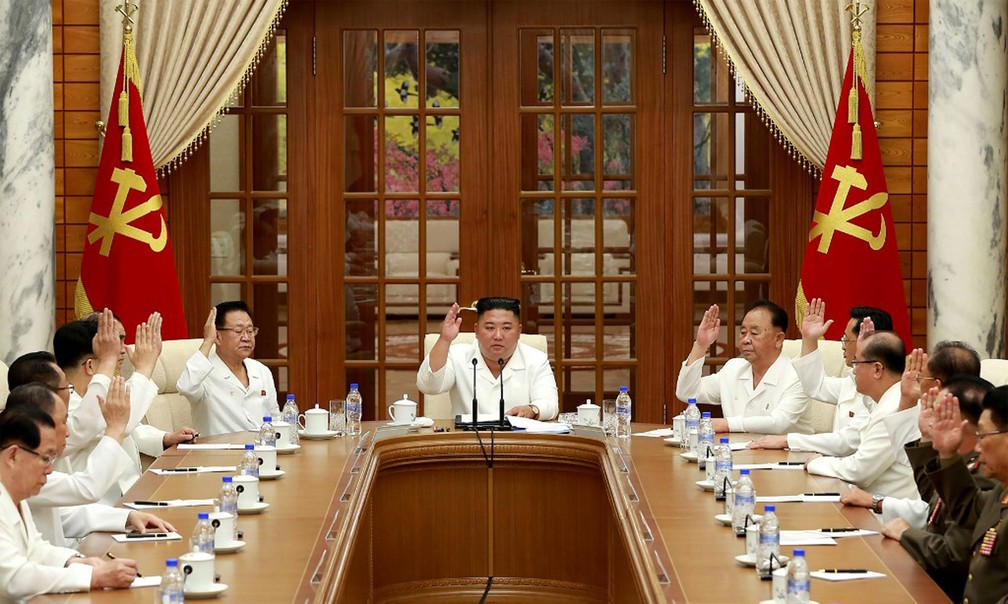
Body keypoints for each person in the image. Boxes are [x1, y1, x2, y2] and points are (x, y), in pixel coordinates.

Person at [0, 403, 138, 600]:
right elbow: (13, 578)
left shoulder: (15, 496)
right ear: (13, 455)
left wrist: (76, 561)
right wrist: (92, 577)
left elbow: (36, 550)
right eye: (46, 459)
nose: (49, 470)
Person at [877, 377, 998, 600]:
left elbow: (952, 556)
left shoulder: (985, 476)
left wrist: (906, 534)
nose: (932, 420)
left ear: (959, 421)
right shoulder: (961, 466)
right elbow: (934, 499)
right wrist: (926, 438)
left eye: (937, 413)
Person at [750, 299, 892, 454]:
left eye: (846, 339)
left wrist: (787, 440)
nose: (843, 346)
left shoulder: (884, 392)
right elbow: (815, 386)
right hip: (838, 469)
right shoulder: (850, 383)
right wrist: (810, 339)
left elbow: (848, 441)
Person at [804, 331, 920, 501]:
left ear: (877, 369)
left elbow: (860, 470)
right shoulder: (885, 399)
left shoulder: (894, 408)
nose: (853, 369)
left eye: (856, 363)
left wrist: (817, 462)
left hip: (885, 516)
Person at [921, 386, 1008, 604]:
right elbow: (968, 508)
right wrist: (947, 454)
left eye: (983, 435)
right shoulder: (1002, 489)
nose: (977, 447)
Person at [675, 300, 811, 434]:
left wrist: (727, 424)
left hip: (789, 454)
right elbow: (687, 393)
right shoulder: (733, 369)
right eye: (743, 332)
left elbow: (778, 423)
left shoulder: (797, 376)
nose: (746, 340)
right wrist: (701, 345)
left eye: (754, 333)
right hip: (740, 453)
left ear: (778, 339)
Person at [417, 298, 558, 421]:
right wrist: (445, 339)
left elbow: (550, 404)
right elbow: (429, 386)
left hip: (517, 443)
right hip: (467, 444)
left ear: (519, 331)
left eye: (506, 328)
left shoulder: (536, 359)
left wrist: (532, 410)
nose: (497, 336)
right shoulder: (458, 355)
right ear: (477, 330)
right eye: (490, 328)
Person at [177, 301, 280, 435]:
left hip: (262, 451)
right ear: (218, 336)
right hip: (220, 453)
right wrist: (208, 341)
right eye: (238, 331)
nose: (246, 338)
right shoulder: (204, 372)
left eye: (250, 331)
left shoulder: (261, 370)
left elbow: (276, 418)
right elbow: (185, 387)